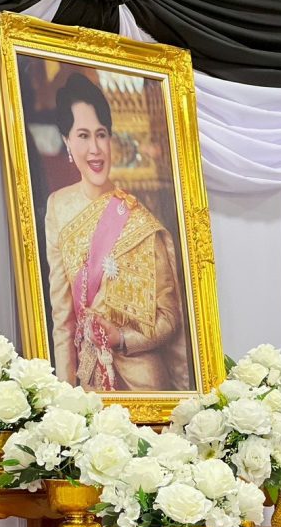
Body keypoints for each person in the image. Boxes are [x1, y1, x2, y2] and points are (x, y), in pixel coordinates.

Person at [44, 71, 191, 392]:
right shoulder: (58, 207)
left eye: (101, 134)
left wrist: (122, 338)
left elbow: (170, 318)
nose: (95, 149)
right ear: (67, 142)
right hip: (89, 385)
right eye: (83, 135)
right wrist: (64, 398)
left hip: (144, 385)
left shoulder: (138, 220)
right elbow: (63, 320)